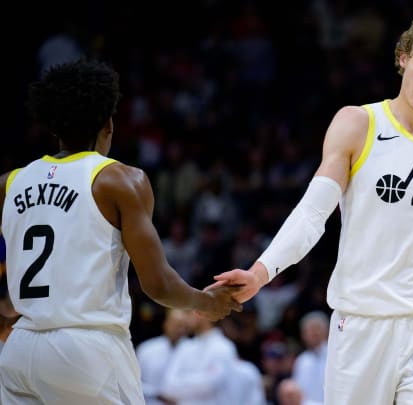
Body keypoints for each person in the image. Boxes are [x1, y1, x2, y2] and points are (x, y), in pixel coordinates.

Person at [212, 13, 413, 404]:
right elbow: (314, 212)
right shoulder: (356, 123)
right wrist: (261, 273)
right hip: (361, 324)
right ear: (402, 59)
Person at [0, 59, 242, 404]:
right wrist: (207, 303)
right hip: (86, 348)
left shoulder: (10, 183)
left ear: (53, 127)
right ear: (108, 125)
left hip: (20, 346)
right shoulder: (120, 179)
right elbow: (158, 284)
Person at [136, 309, 192, 405]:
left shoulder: (193, 350)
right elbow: (134, 382)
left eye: (184, 327)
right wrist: (157, 394)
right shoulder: (146, 349)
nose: (180, 330)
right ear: (166, 324)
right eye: (177, 325)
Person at [292, 310, 329, 403]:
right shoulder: (301, 360)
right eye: (310, 330)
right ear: (303, 335)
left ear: (327, 331)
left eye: (317, 329)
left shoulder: (335, 355)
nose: (314, 333)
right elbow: (298, 393)